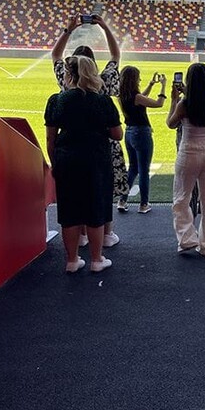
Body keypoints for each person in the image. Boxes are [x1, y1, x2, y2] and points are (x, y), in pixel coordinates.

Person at [51, 14, 124, 248]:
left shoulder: (65, 86)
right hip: (102, 148)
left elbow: (55, 56)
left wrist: (67, 30)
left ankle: (81, 235)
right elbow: (115, 56)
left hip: (71, 147)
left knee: (75, 193)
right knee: (102, 192)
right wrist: (105, 27)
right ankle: (106, 234)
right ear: (92, 64)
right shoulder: (102, 85)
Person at [45, 56, 122, 273]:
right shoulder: (103, 101)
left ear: (69, 75)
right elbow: (117, 134)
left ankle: (72, 260)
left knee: (69, 211)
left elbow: (50, 138)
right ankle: (97, 259)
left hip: (67, 159)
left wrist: (55, 161)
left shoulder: (56, 100)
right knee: (95, 208)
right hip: (95, 159)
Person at [167, 63, 205, 256]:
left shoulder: (184, 104)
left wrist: (174, 101)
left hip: (188, 154)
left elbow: (170, 123)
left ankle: (187, 239)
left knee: (181, 198)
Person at [117, 67, 167, 214]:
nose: (139, 80)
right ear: (133, 79)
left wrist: (151, 85)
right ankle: (144, 204)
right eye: (138, 77)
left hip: (129, 132)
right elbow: (159, 103)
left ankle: (122, 200)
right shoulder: (136, 97)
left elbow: (141, 99)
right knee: (144, 170)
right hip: (141, 133)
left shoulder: (123, 96)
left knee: (133, 168)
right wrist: (163, 85)